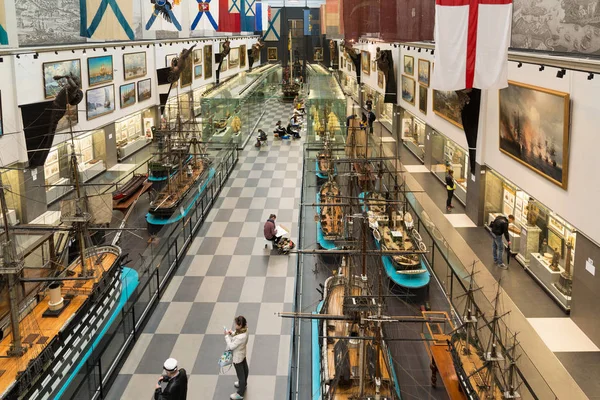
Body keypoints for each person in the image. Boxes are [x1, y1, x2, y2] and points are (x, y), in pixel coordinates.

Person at [224, 316, 249, 400]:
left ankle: (240, 394)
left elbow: (231, 346)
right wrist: (232, 333)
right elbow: (238, 334)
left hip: (237, 357)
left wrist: (227, 336)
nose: (235, 326)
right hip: (243, 353)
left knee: (240, 374)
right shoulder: (245, 330)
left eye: (236, 324)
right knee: (245, 368)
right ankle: (244, 383)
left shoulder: (241, 337)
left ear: (240, 325)